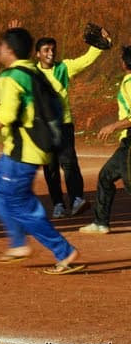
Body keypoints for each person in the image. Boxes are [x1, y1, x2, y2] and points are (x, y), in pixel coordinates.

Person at [0, 27, 83, 275]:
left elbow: (6, 115)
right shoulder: (33, 70)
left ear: (9, 50)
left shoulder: (10, 77)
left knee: (20, 204)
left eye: (1, 46)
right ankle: (18, 243)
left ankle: (63, 251)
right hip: (27, 147)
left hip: (24, 151)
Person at [35, 35, 107, 218]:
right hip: (43, 128)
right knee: (50, 168)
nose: (50, 53)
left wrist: (98, 46)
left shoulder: (63, 67)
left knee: (70, 164)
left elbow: (85, 61)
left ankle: (76, 200)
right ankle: (58, 204)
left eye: (53, 49)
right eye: (46, 50)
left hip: (64, 124)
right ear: (37, 54)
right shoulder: (32, 74)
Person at [79, 45, 131, 235]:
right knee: (105, 176)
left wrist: (113, 126)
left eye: (121, 58)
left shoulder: (129, 83)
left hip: (130, 143)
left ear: (125, 63)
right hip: (126, 142)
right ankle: (100, 222)